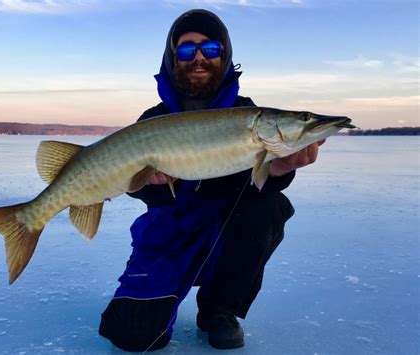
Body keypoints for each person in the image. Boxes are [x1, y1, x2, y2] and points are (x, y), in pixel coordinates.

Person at [99, 9, 324, 352]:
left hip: (225, 231)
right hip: (170, 232)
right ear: (173, 58)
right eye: (187, 50)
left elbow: (251, 192)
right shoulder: (154, 120)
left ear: (225, 55)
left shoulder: (248, 113)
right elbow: (138, 190)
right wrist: (151, 185)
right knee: (134, 336)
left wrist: (277, 171)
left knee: (268, 207)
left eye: (211, 48)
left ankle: (219, 309)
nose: (200, 57)